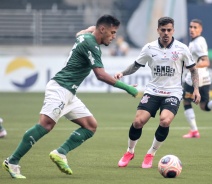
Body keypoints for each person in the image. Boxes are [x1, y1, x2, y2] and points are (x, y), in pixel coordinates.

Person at [2, 14, 138, 179]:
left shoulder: (85, 36)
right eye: (112, 32)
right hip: (60, 88)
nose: (114, 37)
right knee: (46, 124)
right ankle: (13, 161)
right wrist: (127, 88)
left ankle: (60, 153)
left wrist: (90, 29)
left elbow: (79, 33)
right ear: (102, 29)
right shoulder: (92, 45)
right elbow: (100, 75)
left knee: (90, 126)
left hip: (69, 92)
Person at [115, 17, 201, 168]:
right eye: (163, 30)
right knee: (138, 122)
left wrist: (196, 89)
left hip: (173, 92)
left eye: (169, 30)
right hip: (153, 91)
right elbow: (136, 65)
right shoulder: (149, 48)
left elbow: (193, 70)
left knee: (165, 121)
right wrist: (122, 73)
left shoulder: (182, 48)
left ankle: (151, 153)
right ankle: (130, 151)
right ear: (158, 31)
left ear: (173, 31)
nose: (166, 33)